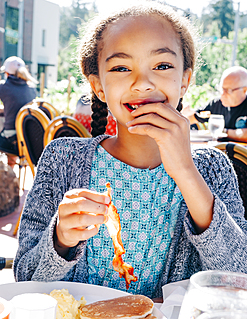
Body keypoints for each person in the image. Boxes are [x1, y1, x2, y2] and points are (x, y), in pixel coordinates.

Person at [14, 1, 247, 299]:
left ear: (185, 80)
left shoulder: (213, 169)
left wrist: (187, 173)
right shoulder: (63, 159)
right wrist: (60, 238)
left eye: (162, 65)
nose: (142, 83)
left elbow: (239, 282)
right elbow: (24, 276)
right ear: (98, 87)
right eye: (121, 67)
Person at [183, 66, 247, 131]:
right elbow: (192, 118)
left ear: (244, 90)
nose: (223, 94)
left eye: (228, 90)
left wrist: (223, 132)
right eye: (222, 89)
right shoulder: (216, 104)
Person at [0, 56, 37, 167]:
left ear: (7, 73)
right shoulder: (31, 88)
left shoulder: (3, 87)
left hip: (12, 139)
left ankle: (8, 173)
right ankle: (11, 171)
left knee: (7, 129)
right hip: (28, 139)